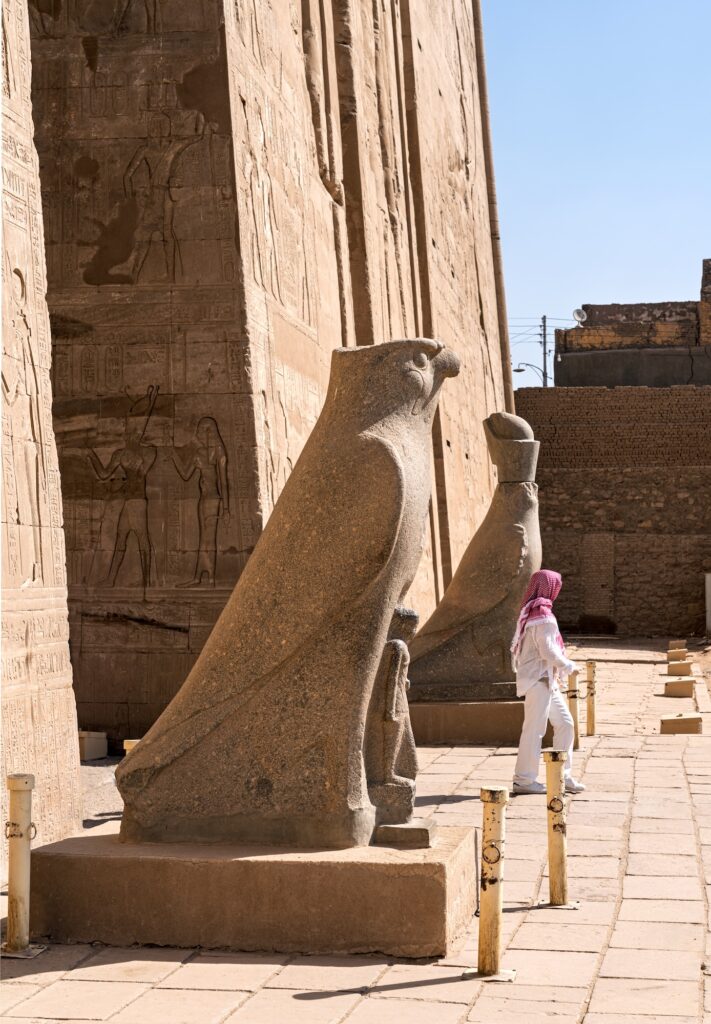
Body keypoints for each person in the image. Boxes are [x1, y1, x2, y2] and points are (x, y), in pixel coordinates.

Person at [511, 569, 586, 796]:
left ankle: (562, 775)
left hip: (546, 680)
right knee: (534, 730)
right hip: (538, 680)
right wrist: (568, 666)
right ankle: (524, 780)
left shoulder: (534, 612)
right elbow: (547, 650)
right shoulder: (542, 615)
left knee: (565, 724)